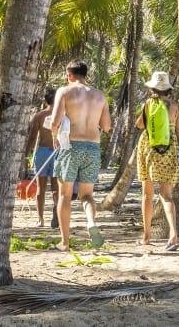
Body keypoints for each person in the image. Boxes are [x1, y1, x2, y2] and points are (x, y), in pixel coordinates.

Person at [50, 60, 111, 251]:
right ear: (85, 74)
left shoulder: (65, 91)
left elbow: (55, 121)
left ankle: (65, 242)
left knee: (65, 195)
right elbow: (107, 126)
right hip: (92, 147)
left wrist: (55, 136)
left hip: (70, 146)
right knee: (87, 195)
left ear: (69, 75)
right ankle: (91, 222)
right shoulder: (100, 96)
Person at [136, 71, 179, 251]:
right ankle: (173, 234)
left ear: (152, 88)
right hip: (169, 149)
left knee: (147, 195)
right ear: (168, 89)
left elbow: (140, 125)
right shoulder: (175, 106)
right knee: (167, 195)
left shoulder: (148, 104)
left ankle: (146, 237)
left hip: (148, 149)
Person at [24, 88, 59, 228]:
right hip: (57, 152)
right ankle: (56, 210)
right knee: (56, 188)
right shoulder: (63, 115)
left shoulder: (39, 116)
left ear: (45, 100)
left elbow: (32, 137)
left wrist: (26, 155)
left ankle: (40, 219)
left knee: (40, 188)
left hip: (42, 152)